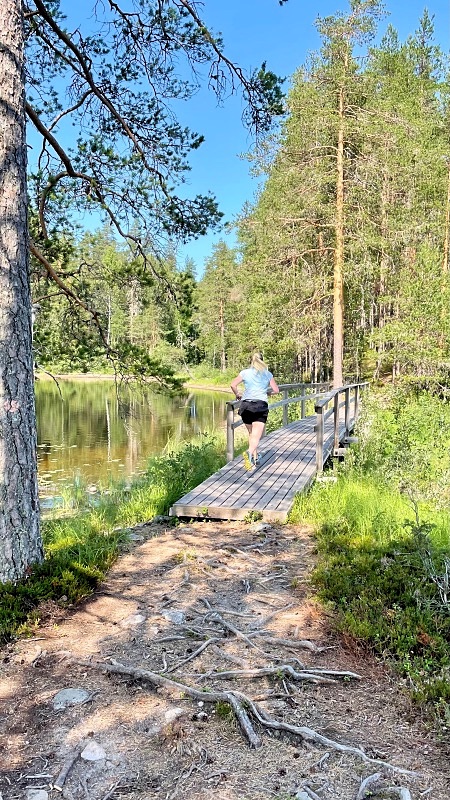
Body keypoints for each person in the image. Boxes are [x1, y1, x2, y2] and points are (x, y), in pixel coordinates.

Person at [230, 353, 280, 470]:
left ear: (251, 361)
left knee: (251, 434)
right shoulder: (267, 374)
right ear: (262, 361)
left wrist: (237, 394)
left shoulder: (245, 373)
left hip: (246, 405)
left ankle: (255, 457)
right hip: (260, 406)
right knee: (256, 436)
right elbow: (276, 390)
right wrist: (268, 393)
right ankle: (249, 453)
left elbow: (233, 385)